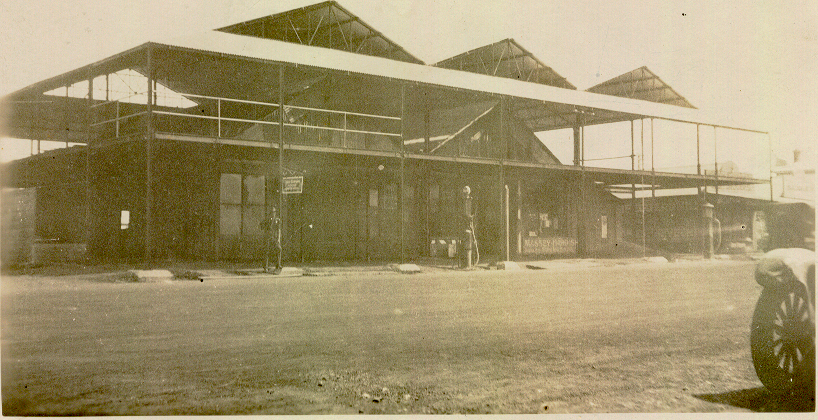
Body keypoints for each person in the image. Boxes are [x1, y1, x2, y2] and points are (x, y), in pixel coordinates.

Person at [263, 208, 282, 274]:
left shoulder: (277, 220)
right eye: (271, 212)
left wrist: (278, 239)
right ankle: (265, 267)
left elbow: (279, 230)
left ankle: (278, 265)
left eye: (274, 212)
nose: (273, 214)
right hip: (268, 237)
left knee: (279, 249)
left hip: (275, 237)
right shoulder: (267, 220)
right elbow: (263, 227)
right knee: (267, 251)